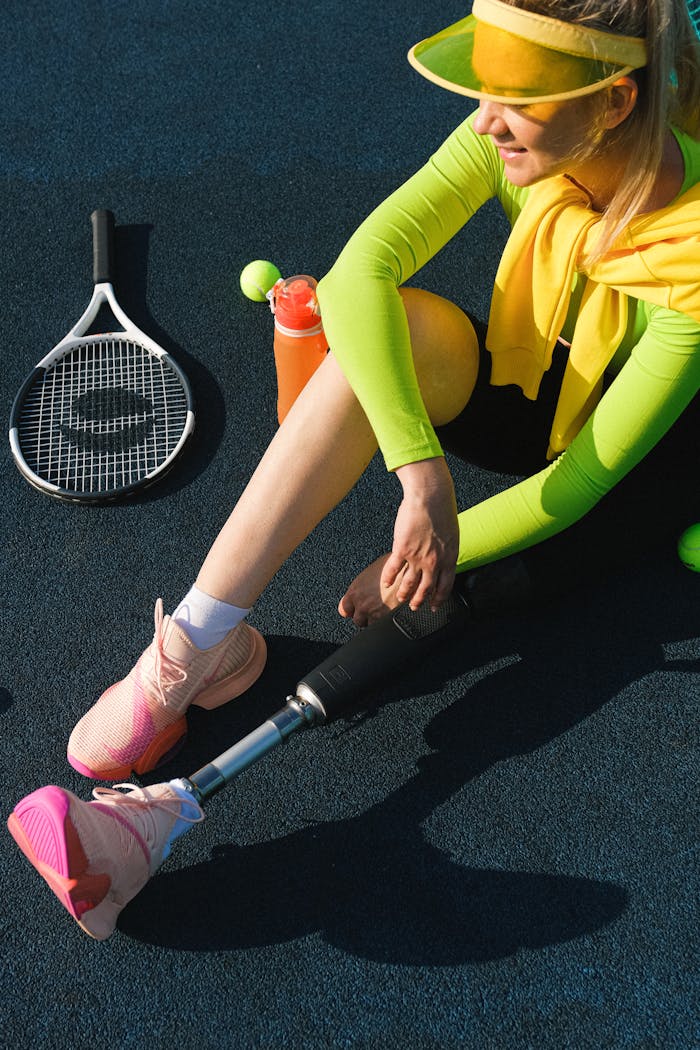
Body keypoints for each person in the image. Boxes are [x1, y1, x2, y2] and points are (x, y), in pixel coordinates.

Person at [8, 0, 700, 940]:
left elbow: (579, 481)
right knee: (397, 325)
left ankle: (139, 833)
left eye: (518, 101)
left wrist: (436, 550)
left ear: (614, 102)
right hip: (535, 372)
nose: (486, 120)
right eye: (484, 91)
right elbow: (360, 268)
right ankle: (203, 641)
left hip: (647, 459)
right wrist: (421, 475)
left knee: (458, 598)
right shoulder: (517, 135)